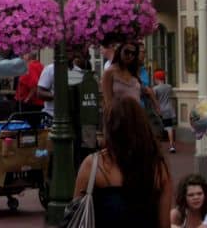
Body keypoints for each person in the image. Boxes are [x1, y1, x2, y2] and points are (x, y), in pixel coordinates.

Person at [73, 97, 171, 227]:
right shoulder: (157, 167)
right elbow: (164, 223)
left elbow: (76, 214)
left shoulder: (94, 164)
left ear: (109, 128)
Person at [101, 42, 142, 113]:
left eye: (133, 53)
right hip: (119, 116)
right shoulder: (109, 72)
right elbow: (108, 102)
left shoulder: (134, 70)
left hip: (137, 116)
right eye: (127, 52)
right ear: (119, 50)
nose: (130, 55)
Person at [153, 70, 177, 153]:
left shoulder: (155, 89)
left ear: (157, 78)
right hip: (169, 109)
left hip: (160, 110)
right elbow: (172, 97)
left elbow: (154, 100)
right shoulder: (169, 87)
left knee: (158, 129)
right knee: (169, 127)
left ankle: (158, 147)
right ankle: (171, 146)